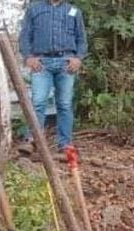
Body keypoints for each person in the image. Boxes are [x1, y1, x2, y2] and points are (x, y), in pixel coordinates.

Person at [19, 0, 88, 153]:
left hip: (66, 63)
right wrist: (28, 57)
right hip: (41, 62)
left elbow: (81, 39)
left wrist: (78, 58)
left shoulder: (74, 11)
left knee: (64, 104)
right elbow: (24, 36)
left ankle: (65, 145)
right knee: (38, 102)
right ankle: (31, 141)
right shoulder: (34, 10)